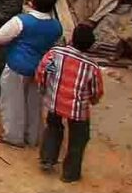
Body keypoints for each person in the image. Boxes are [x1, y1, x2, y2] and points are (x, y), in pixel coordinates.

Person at [0, 0, 66, 148]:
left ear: (33, 3)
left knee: (12, 101)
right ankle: (32, 136)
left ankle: (13, 136)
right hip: (40, 69)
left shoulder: (21, 21)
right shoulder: (56, 26)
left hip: (17, 65)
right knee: (34, 103)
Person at [35, 22, 105, 182]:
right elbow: (96, 91)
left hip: (55, 101)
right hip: (77, 109)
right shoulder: (91, 67)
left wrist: (44, 87)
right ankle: (70, 174)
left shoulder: (56, 54)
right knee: (78, 139)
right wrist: (93, 100)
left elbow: (45, 71)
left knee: (53, 127)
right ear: (90, 46)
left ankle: (47, 159)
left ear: (72, 39)